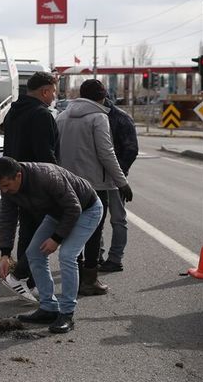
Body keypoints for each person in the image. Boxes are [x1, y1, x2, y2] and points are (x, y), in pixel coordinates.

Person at [0, 157, 103, 334]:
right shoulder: (8, 188)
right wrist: (5, 254)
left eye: (6, 185)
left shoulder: (47, 176)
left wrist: (56, 238)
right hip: (57, 213)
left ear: (18, 176)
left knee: (67, 255)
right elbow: (8, 218)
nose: (5, 190)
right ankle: (48, 308)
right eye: (1, 187)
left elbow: (73, 208)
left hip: (87, 210)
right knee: (34, 253)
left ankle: (67, 314)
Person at [56, 79, 133, 295]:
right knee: (93, 232)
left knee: (73, 230)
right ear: (102, 97)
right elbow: (106, 153)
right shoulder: (99, 117)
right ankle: (89, 281)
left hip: (68, 184)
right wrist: (122, 183)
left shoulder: (62, 117)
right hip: (94, 186)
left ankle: (76, 278)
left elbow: (57, 151)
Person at [0, 71, 60, 303]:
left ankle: (27, 283)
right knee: (42, 235)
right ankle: (22, 279)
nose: (54, 96)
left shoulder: (13, 112)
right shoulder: (41, 115)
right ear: (44, 91)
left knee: (27, 232)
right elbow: (46, 154)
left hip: (17, 181)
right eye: (53, 92)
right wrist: (57, 181)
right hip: (38, 183)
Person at [98, 98, 138, 272]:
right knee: (96, 219)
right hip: (96, 177)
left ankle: (115, 259)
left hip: (115, 179)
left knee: (118, 219)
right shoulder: (94, 114)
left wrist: (118, 174)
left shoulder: (121, 117)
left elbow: (131, 149)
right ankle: (96, 255)